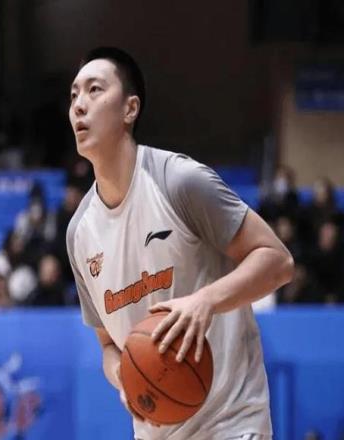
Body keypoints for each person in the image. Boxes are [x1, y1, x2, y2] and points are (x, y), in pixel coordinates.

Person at [66, 47, 294, 440]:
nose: (79, 105)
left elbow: (278, 261)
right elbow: (108, 346)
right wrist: (123, 374)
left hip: (232, 423)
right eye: (73, 95)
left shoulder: (179, 181)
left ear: (130, 109)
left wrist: (206, 301)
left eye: (94, 90)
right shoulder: (79, 234)